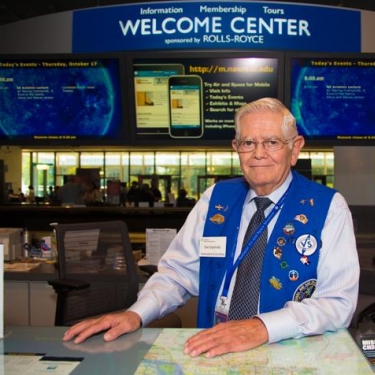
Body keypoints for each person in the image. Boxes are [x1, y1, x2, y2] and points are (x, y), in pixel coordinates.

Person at [63, 97, 359, 358]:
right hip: (212, 350)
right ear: (236, 148)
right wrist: (136, 314)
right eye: (248, 143)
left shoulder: (328, 208)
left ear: (294, 149)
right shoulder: (215, 199)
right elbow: (177, 274)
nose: (258, 153)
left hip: (291, 353)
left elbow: (338, 303)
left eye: (271, 142)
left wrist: (261, 328)